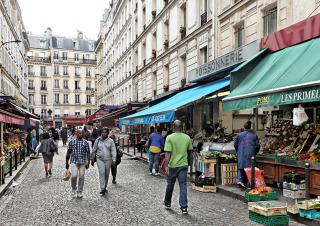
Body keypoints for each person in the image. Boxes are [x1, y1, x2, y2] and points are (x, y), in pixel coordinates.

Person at [163, 120, 193, 214]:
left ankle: (167, 202)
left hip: (172, 165)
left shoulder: (169, 137)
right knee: (183, 185)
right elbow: (190, 152)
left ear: (173, 127)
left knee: (170, 184)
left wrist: (166, 165)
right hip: (183, 165)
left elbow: (168, 152)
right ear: (182, 127)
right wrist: (190, 164)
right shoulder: (187, 137)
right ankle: (184, 207)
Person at [234, 121, 260, 189]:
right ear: (251, 127)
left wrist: (238, 151)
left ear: (244, 127)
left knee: (240, 167)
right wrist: (255, 152)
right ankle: (249, 183)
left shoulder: (239, 135)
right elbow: (257, 146)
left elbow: (235, 144)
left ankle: (239, 180)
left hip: (241, 153)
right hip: (250, 154)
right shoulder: (254, 135)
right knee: (250, 168)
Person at [91, 127, 116, 196]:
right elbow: (94, 150)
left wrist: (114, 159)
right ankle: (102, 189)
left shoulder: (111, 141)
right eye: (102, 132)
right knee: (102, 173)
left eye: (105, 132)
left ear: (107, 133)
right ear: (101, 133)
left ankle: (105, 187)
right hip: (100, 159)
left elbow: (113, 150)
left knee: (106, 174)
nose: (104, 133)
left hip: (108, 159)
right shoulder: (98, 140)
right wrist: (92, 159)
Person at [66, 129, 90, 198]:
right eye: (79, 133)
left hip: (82, 162)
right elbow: (68, 152)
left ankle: (79, 191)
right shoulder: (71, 142)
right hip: (74, 161)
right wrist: (66, 162)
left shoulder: (85, 142)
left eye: (82, 133)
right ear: (76, 133)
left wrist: (88, 162)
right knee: (74, 176)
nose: (81, 135)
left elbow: (88, 152)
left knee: (81, 176)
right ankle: (74, 189)